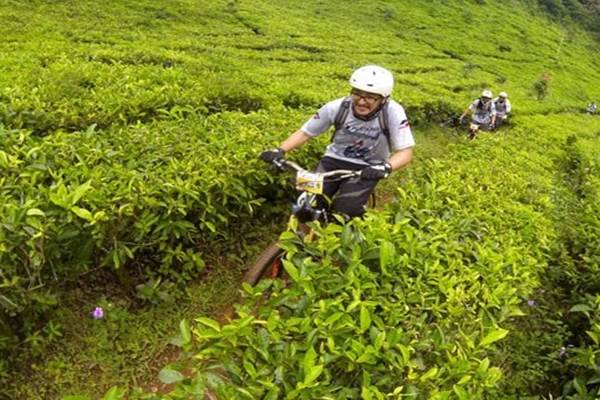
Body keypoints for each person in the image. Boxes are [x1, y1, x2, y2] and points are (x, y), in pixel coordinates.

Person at [259, 64, 414, 219]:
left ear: (383, 99)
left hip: (367, 168)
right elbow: (305, 132)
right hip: (332, 161)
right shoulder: (336, 107)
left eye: (370, 97)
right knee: (304, 204)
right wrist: (280, 150)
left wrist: (385, 167)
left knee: (346, 210)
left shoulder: (393, 112)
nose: (361, 102)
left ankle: (345, 238)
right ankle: (302, 240)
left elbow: (406, 152)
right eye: (357, 94)